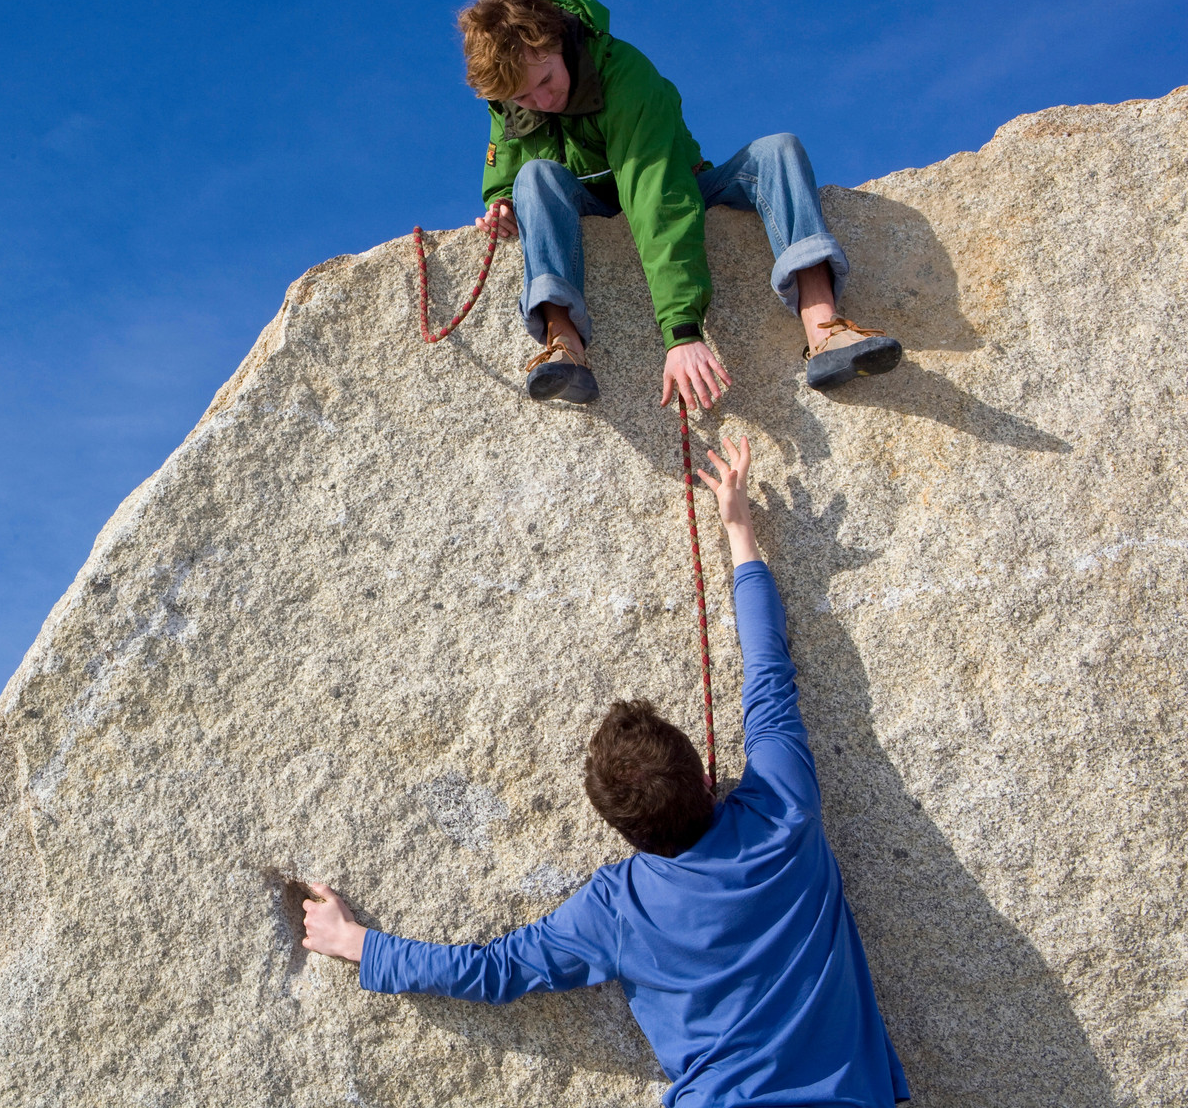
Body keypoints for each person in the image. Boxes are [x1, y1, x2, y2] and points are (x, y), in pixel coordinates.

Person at [300, 436, 911, 1107]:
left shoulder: (620, 909)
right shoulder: (782, 811)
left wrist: (360, 944)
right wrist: (740, 528)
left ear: (625, 831)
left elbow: (494, 971)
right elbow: (769, 673)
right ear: (706, 777)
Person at [458, 0, 902, 408]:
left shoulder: (624, 73)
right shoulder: (514, 95)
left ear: (557, 42)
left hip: (674, 181)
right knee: (533, 177)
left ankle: (824, 329)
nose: (542, 99)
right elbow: (507, 160)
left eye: (546, 80)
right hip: (590, 201)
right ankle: (565, 346)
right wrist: (501, 203)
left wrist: (682, 331)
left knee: (778, 150)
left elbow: (657, 197)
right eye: (523, 96)